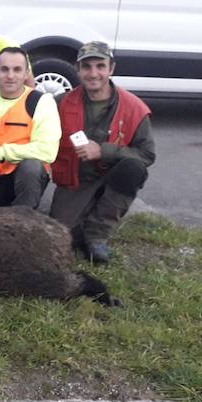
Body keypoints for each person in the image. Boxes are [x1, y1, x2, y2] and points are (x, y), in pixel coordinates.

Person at [50, 41, 155, 263]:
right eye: (87, 67)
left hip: (111, 176)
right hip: (76, 181)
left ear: (111, 69)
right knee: (63, 236)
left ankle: (98, 235)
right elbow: (27, 106)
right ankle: (85, 220)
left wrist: (104, 151)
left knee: (134, 168)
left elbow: (147, 154)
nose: (94, 73)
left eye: (100, 66)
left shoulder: (134, 108)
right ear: (77, 70)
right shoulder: (60, 103)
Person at [0, 47, 61, 208]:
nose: (10, 76)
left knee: (32, 166)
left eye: (17, 70)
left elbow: (47, 150)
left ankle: (25, 224)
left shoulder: (42, 102)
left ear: (26, 73)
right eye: (4, 70)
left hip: (17, 182)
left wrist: (0, 153)